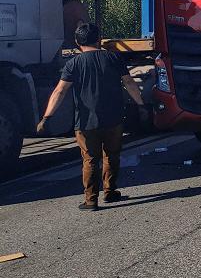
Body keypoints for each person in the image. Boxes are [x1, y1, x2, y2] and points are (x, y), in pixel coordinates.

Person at [36, 23, 145, 211]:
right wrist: (141, 105)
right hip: (114, 118)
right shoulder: (113, 58)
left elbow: (60, 91)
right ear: (98, 40)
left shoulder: (74, 64)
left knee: (90, 159)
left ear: (78, 42)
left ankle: (91, 200)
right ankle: (110, 192)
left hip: (86, 122)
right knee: (111, 155)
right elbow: (129, 82)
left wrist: (46, 117)